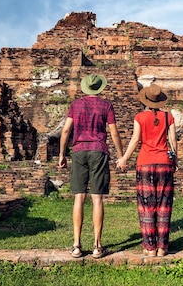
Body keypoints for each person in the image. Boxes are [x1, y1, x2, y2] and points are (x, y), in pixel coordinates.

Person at [59, 74, 124, 259]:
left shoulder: (75, 105)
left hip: (79, 151)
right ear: (100, 88)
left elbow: (65, 130)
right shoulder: (106, 105)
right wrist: (120, 156)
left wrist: (62, 154)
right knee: (97, 199)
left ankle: (77, 245)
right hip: (99, 151)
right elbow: (114, 132)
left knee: (79, 198)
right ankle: (97, 246)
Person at [117, 83, 177, 257]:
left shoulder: (140, 117)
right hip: (165, 163)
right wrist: (176, 162)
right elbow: (173, 141)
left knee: (146, 206)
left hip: (145, 163)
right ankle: (162, 248)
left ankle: (149, 248)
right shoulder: (168, 117)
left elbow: (135, 140)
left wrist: (124, 159)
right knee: (164, 206)